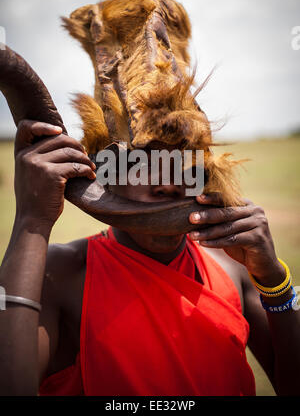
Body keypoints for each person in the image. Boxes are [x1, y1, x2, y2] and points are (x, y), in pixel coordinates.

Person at [0, 118, 299, 396]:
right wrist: (31, 219)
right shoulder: (62, 273)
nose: (168, 184)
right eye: (140, 163)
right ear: (107, 177)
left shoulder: (232, 264)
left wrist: (274, 279)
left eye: (183, 163)